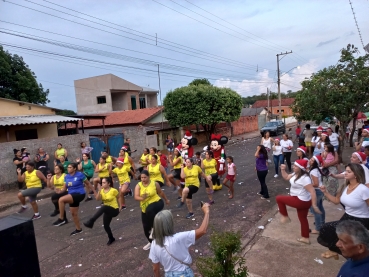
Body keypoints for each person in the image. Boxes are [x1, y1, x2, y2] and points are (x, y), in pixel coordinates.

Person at [318, 163, 369, 260]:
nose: (345, 173)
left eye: (349, 171)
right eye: (345, 171)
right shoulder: (345, 186)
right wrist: (325, 192)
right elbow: (336, 201)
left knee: (344, 239)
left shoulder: (363, 190)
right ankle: (340, 253)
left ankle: (351, 258)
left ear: (356, 174)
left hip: (361, 220)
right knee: (328, 232)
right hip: (347, 217)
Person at [149, 204, 210, 277]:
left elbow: (155, 268)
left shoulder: (154, 244)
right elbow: (202, 230)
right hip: (184, 273)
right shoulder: (178, 238)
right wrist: (206, 212)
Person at [277, 160, 320, 244]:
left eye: (296, 166)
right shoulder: (294, 174)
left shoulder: (305, 178)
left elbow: (312, 191)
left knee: (279, 198)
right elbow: (286, 177)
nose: (293, 167)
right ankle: (305, 238)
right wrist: (283, 169)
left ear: (301, 168)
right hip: (302, 201)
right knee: (303, 219)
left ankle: (285, 217)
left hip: (301, 201)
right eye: (294, 165)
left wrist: (314, 205)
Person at [52, 163, 93, 236]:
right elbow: (64, 188)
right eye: (67, 167)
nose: (68, 168)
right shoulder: (66, 176)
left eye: (70, 167)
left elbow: (88, 183)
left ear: (74, 168)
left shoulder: (80, 174)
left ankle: (61, 218)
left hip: (80, 194)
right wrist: (59, 191)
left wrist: (94, 192)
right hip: (71, 194)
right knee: (74, 214)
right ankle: (78, 229)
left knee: (61, 200)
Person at [134, 170, 170, 250]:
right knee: (146, 228)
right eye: (142, 177)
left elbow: (160, 192)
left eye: (145, 177)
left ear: (148, 177)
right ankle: (152, 243)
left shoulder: (154, 183)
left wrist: (166, 200)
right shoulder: (138, 185)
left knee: (149, 209)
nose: (143, 179)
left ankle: (154, 229)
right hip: (144, 207)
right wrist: (142, 197)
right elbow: (136, 197)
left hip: (157, 202)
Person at [83, 177, 120, 246]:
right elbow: (97, 199)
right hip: (106, 210)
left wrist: (121, 206)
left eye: (104, 183)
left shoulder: (113, 190)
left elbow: (119, 197)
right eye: (102, 183)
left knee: (104, 206)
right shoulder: (102, 191)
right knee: (106, 225)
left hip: (114, 209)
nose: (102, 184)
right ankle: (111, 238)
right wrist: (99, 191)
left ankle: (91, 221)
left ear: (108, 183)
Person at [309, 155, 325, 234]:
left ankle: (318, 228)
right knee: (320, 208)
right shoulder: (317, 169)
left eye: (312, 160)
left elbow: (316, 183)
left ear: (315, 163)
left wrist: (307, 185)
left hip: (317, 191)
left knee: (316, 210)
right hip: (320, 190)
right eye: (310, 159)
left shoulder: (313, 171)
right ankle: (322, 223)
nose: (310, 161)